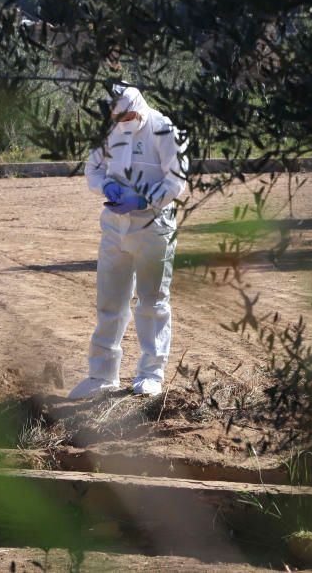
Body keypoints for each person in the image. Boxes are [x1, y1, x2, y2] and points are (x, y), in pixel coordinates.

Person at [68, 84, 188, 399]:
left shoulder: (165, 130)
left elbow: (177, 180)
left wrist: (144, 200)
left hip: (152, 225)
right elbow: (92, 168)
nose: (123, 120)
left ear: (139, 107)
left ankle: (150, 375)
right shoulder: (111, 130)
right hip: (114, 226)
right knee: (110, 301)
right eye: (118, 116)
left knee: (152, 300)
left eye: (128, 115)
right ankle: (101, 376)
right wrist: (106, 186)